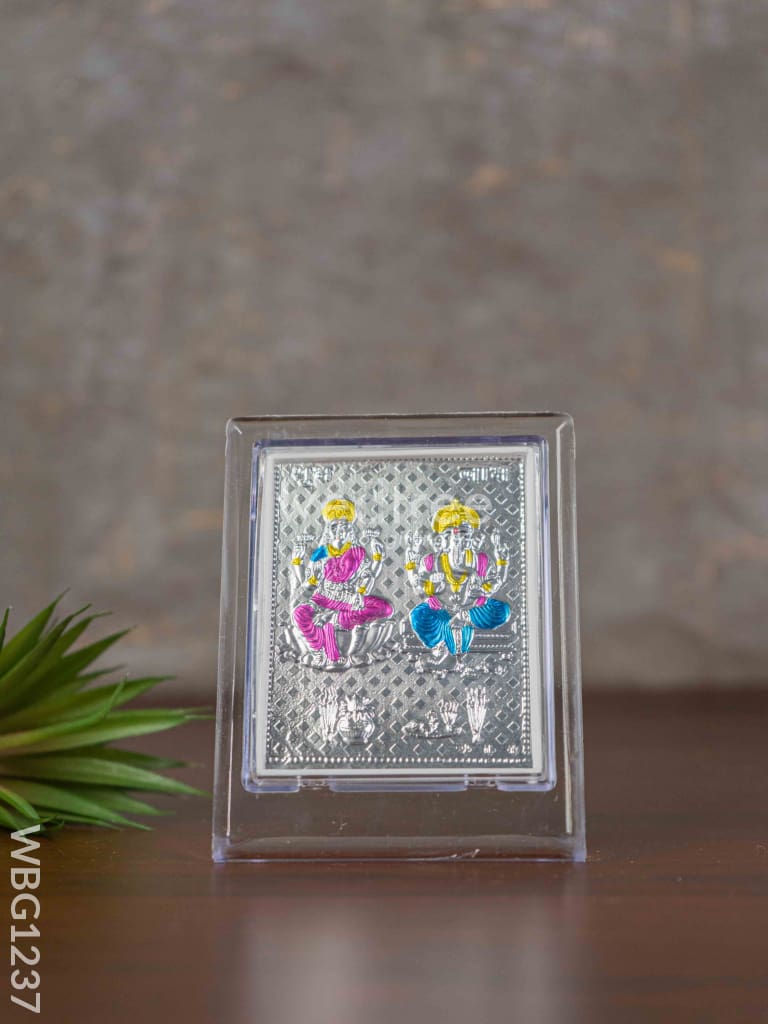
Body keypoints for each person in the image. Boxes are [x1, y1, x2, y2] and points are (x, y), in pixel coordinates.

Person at [291, 498, 393, 663]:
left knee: (385, 608)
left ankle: (335, 619)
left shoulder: (357, 552)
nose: (340, 530)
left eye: (344, 525)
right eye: (334, 526)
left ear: (350, 529)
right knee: (299, 613)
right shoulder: (321, 552)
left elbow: (368, 575)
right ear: (328, 529)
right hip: (323, 599)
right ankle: (317, 649)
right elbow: (308, 583)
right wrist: (297, 561)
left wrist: (378, 560)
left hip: (349, 599)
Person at [406, 498, 510, 656]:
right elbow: (418, 587)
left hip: (472, 609)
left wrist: (501, 564)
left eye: (464, 536)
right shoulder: (431, 561)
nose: (458, 541)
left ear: (470, 539)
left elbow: (495, 583)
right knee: (418, 615)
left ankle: (462, 620)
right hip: (441, 610)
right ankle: (441, 643)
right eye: (451, 535)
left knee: (502, 610)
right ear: (443, 540)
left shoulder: (481, 560)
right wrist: (430, 587)